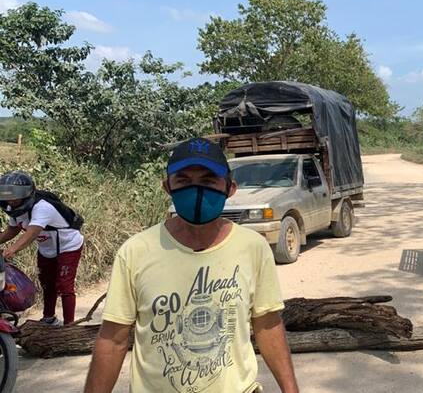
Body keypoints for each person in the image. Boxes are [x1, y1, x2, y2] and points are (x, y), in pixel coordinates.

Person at [84, 138, 299, 393]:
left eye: (208, 180)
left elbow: (267, 326)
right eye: (184, 181)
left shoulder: (253, 248)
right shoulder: (136, 252)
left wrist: (291, 389)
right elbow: (113, 340)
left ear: (230, 188)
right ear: (168, 187)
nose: (196, 190)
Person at [0, 171, 84, 326]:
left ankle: (69, 326)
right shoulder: (15, 209)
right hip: (47, 248)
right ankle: (49, 318)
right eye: (7, 195)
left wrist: (12, 250)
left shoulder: (42, 207)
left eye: (14, 195)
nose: (10, 200)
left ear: (26, 194)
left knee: (65, 286)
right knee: (47, 282)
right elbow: (12, 230)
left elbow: (32, 232)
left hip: (68, 246)